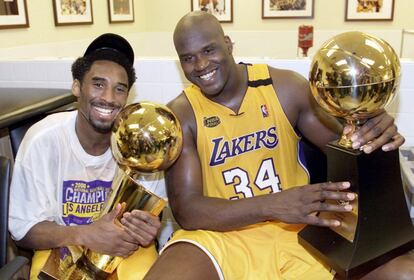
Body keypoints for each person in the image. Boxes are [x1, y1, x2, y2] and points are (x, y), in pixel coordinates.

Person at [144, 11, 414, 280]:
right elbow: (188, 211)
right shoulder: (181, 114)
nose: (201, 65)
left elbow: (347, 150)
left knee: (404, 273)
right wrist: (272, 204)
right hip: (220, 237)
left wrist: (371, 128)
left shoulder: (285, 88)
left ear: (228, 43)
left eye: (209, 50)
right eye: (188, 58)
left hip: (296, 230)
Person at [8, 33, 165, 280]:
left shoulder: (141, 145)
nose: (109, 98)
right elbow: (23, 231)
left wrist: (149, 230)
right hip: (61, 244)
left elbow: (149, 222)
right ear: (77, 87)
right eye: (98, 84)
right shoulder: (43, 140)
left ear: (127, 97)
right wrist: (86, 234)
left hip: (127, 249)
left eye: (119, 89)